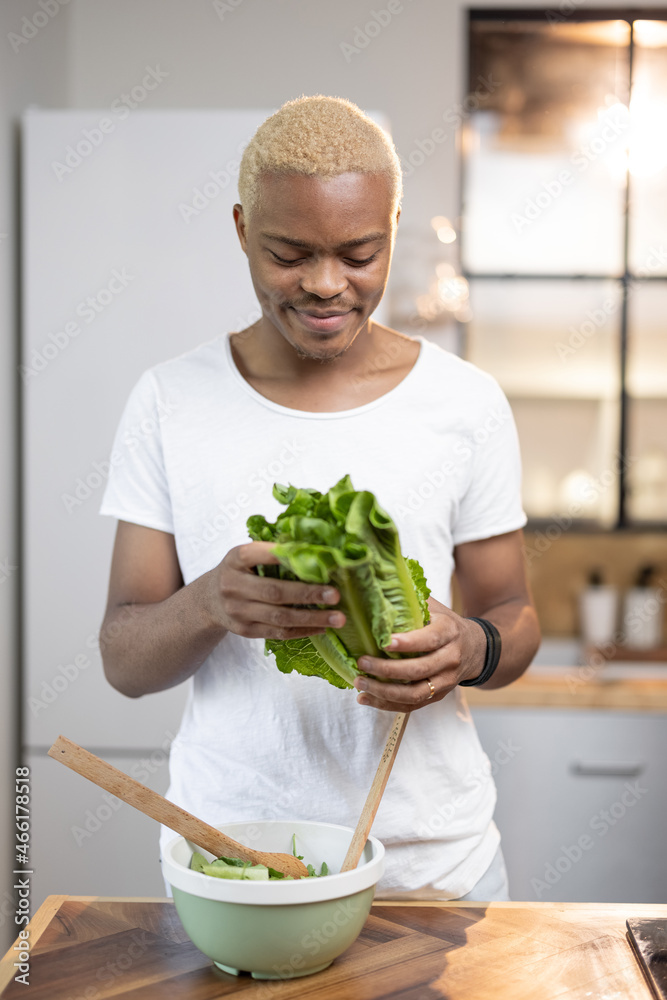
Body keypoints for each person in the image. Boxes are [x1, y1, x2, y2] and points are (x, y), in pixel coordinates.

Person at [99, 95, 540, 900]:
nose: (326, 285)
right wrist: (208, 604)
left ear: (393, 227)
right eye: (289, 253)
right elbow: (123, 660)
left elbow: (514, 613)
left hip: (432, 869)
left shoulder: (466, 403)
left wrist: (470, 647)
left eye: (359, 253)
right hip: (237, 864)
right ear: (240, 230)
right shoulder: (168, 400)